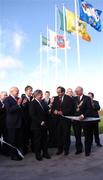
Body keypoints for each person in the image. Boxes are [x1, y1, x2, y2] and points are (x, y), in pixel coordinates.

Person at [29, 90, 51, 161]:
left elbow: (45, 111)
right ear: (36, 95)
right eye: (40, 95)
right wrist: (40, 122)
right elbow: (32, 115)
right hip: (36, 126)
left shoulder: (42, 102)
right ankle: (38, 155)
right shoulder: (33, 103)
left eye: (41, 95)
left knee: (45, 140)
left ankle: (45, 153)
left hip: (44, 125)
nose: (42, 96)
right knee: (37, 141)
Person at [52, 86, 74, 156]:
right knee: (58, 135)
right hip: (57, 120)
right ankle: (60, 149)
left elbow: (71, 109)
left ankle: (66, 150)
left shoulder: (68, 98)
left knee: (66, 135)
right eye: (57, 92)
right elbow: (52, 108)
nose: (58, 93)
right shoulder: (55, 98)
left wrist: (63, 112)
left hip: (66, 121)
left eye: (59, 92)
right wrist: (54, 111)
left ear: (63, 92)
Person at [4, 87, 24, 160]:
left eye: (18, 91)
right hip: (12, 124)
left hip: (19, 123)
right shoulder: (7, 99)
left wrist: (22, 104)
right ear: (11, 91)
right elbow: (9, 110)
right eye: (16, 91)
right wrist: (18, 104)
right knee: (12, 140)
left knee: (18, 140)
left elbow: (20, 110)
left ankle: (18, 153)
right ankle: (13, 156)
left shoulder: (18, 98)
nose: (18, 92)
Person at [73, 86, 93, 156]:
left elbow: (89, 109)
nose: (76, 92)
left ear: (81, 91)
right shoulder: (74, 98)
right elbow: (72, 108)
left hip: (85, 120)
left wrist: (83, 115)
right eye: (75, 91)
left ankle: (87, 151)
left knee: (87, 136)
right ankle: (79, 149)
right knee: (77, 136)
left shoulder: (87, 98)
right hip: (76, 121)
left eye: (77, 91)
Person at [21, 85, 33, 154]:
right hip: (25, 121)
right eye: (30, 90)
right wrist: (22, 104)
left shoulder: (32, 98)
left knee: (32, 135)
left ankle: (33, 148)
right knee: (25, 136)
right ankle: (25, 149)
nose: (31, 92)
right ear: (26, 91)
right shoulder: (22, 98)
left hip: (32, 120)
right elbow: (21, 109)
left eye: (31, 90)